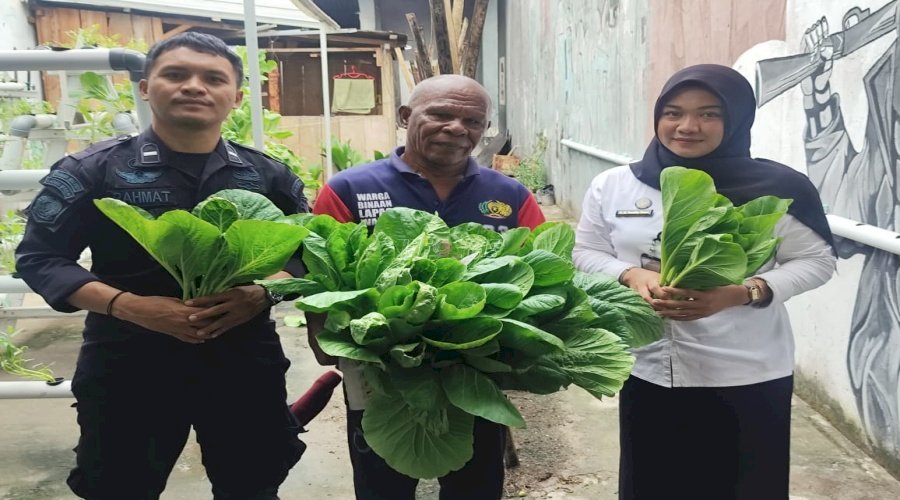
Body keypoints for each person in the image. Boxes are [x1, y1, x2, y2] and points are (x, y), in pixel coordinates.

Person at [15, 32, 308, 499]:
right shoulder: (93, 170)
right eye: (176, 74)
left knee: (252, 481)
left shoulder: (266, 175)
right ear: (147, 88)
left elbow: (305, 256)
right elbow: (40, 258)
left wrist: (261, 293)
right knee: (118, 483)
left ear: (234, 97)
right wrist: (130, 306)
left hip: (242, 361)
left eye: (213, 78)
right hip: (128, 361)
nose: (195, 86)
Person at [572, 64, 836, 500]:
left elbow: (815, 261)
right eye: (673, 112)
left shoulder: (779, 187)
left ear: (735, 120)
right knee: (654, 484)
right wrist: (630, 274)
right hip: (648, 367)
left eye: (709, 114)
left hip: (746, 371)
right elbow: (584, 253)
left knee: (743, 486)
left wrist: (743, 292)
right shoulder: (615, 185)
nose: (688, 126)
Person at [308, 74, 546, 500]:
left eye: (472, 121)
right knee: (382, 485)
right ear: (405, 116)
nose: (457, 128)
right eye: (440, 114)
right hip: (381, 373)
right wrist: (323, 337)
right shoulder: (349, 189)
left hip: (474, 372)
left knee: (476, 485)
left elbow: (543, 272)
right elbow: (318, 274)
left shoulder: (509, 195)